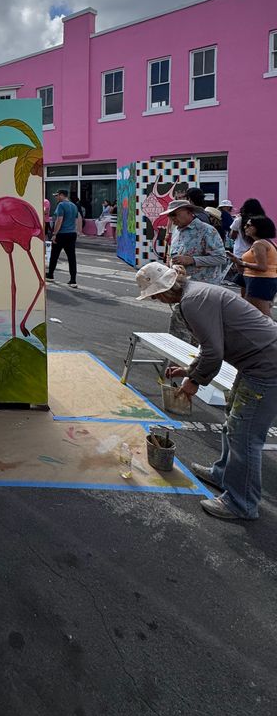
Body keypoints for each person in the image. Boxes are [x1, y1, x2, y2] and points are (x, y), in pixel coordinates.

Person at [135, 260, 277, 521]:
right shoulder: (196, 292)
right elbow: (211, 346)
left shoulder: (193, 301)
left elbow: (214, 352)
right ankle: (223, 474)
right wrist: (189, 370)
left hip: (265, 366)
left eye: (154, 296)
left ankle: (242, 503)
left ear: (163, 291)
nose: (156, 301)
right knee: (232, 427)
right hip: (257, 363)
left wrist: (194, 381)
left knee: (245, 437)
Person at [165, 199, 226, 284]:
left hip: (203, 287)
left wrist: (192, 260)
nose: (172, 218)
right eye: (169, 215)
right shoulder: (176, 230)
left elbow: (221, 258)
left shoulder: (207, 230)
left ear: (189, 212)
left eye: (174, 214)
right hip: (181, 285)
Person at [229, 215, 277, 318]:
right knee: (257, 313)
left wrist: (241, 263)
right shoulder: (267, 242)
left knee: (261, 315)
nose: (245, 227)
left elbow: (262, 266)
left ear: (258, 228)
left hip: (259, 280)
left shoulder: (259, 244)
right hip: (262, 280)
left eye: (248, 225)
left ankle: (270, 333)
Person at [46, 189, 79, 287]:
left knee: (54, 255)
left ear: (61, 195)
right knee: (71, 257)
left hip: (62, 234)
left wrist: (54, 234)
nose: (56, 197)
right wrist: (75, 231)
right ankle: (73, 280)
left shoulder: (61, 205)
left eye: (57, 195)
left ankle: (50, 275)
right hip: (72, 233)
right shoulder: (74, 206)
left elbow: (59, 220)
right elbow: (77, 220)